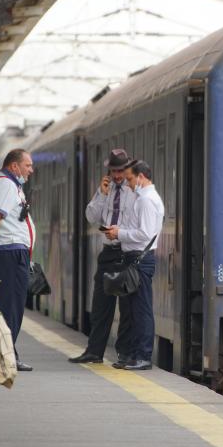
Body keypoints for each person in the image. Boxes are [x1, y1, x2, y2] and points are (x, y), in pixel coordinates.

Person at [69, 149, 138, 366]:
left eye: (121, 171)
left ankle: (124, 354)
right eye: (114, 171)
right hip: (108, 252)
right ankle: (94, 351)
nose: (117, 175)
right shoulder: (106, 190)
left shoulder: (134, 189)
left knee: (127, 306)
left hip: (127, 252)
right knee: (101, 304)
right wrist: (101, 194)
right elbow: (91, 217)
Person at [0, 148, 35, 372]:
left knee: (4, 306)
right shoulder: (6, 184)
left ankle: (4, 353)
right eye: (28, 165)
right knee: (10, 307)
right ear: (14, 166)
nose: (31, 170)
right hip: (8, 253)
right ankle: (5, 356)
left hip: (5, 252)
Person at [103, 160, 164, 371]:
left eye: (130, 179)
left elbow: (145, 234)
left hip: (140, 259)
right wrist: (119, 231)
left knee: (141, 308)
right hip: (133, 258)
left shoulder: (147, 201)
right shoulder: (141, 199)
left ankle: (143, 355)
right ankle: (131, 354)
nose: (128, 184)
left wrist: (119, 233)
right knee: (130, 309)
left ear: (141, 177)